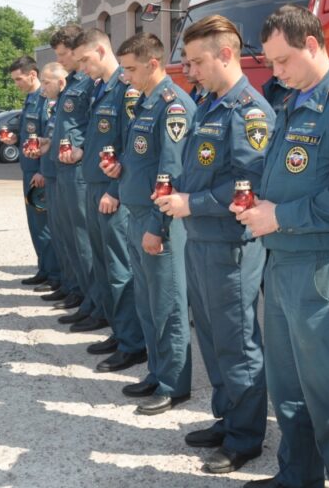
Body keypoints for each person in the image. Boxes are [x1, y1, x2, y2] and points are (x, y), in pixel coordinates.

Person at [233, 5, 329, 488]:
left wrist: (280, 216)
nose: (275, 72)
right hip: (283, 260)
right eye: (271, 62)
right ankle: (297, 476)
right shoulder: (294, 100)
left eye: (282, 60)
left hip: (321, 265)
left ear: (312, 45)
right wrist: (258, 202)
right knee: (289, 386)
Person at [155, 15, 271, 475]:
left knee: (237, 343)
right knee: (213, 338)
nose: (191, 71)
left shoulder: (249, 111)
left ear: (225, 54)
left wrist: (193, 202)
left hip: (229, 245)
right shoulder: (210, 105)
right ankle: (228, 419)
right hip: (202, 239)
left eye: (197, 61)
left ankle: (245, 437)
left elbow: (250, 183)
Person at [105, 33, 195, 415]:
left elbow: (170, 172)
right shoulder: (144, 103)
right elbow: (141, 159)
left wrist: (158, 226)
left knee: (168, 305)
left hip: (158, 219)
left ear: (153, 64)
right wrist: (119, 170)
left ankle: (174, 383)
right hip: (137, 213)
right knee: (147, 302)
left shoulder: (172, 106)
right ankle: (157, 372)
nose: (125, 76)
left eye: (130, 69)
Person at [69, 27, 148, 373]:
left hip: (111, 192)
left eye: (85, 60)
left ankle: (133, 343)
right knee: (103, 266)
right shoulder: (100, 88)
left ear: (101, 51)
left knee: (119, 270)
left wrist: (115, 191)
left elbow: (132, 147)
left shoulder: (125, 90)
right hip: (94, 185)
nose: (83, 68)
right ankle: (119, 331)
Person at [47, 25, 102, 326]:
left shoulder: (89, 83)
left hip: (79, 170)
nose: (61, 60)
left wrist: (81, 149)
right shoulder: (70, 83)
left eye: (63, 54)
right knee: (70, 237)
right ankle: (81, 293)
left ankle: (95, 303)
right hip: (63, 168)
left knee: (84, 240)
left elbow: (93, 126)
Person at [4, 56, 59, 292]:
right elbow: (30, 133)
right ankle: (44, 269)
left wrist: (42, 171)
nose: (16, 83)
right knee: (35, 225)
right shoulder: (30, 99)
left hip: (39, 173)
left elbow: (49, 136)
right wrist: (15, 139)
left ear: (32, 75)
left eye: (19, 79)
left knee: (45, 226)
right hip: (29, 170)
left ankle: (54, 274)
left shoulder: (45, 101)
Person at [25, 62, 76, 305]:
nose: (42, 88)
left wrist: (42, 170)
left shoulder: (64, 104)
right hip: (53, 173)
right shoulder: (55, 106)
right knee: (59, 234)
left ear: (61, 82)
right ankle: (65, 283)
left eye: (46, 82)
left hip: (62, 176)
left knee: (71, 238)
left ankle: (70, 286)